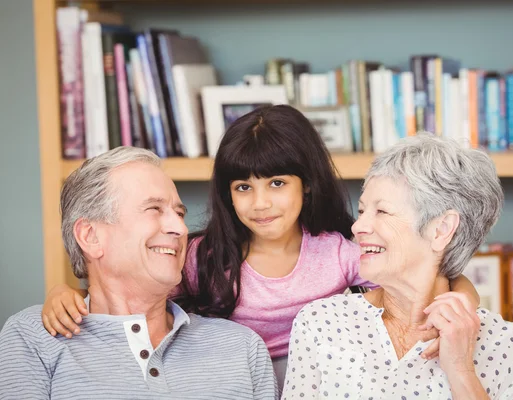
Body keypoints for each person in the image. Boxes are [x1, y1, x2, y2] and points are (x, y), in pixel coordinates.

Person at [40, 105, 479, 389]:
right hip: (229, 380)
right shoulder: (203, 258)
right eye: (243, 186)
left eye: (276, 183)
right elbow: (131, 297)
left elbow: (425, 277)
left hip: (316, 378)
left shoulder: (337, 252)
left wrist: (465, 306)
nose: (261, 202)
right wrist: (67, 294)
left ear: (306, 185)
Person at [0, 147, 277, 399]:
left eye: (179, 213)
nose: (180, 229)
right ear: (90, 237)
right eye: (154, 209)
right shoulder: (33, 337)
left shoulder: (242, 347)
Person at [281, 133, 513, 399]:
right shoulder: (322, 323)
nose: (357, 227)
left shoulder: (506, 346)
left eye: (381, 211)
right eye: (361, 211)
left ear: (441, 230)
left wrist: (461, 371)